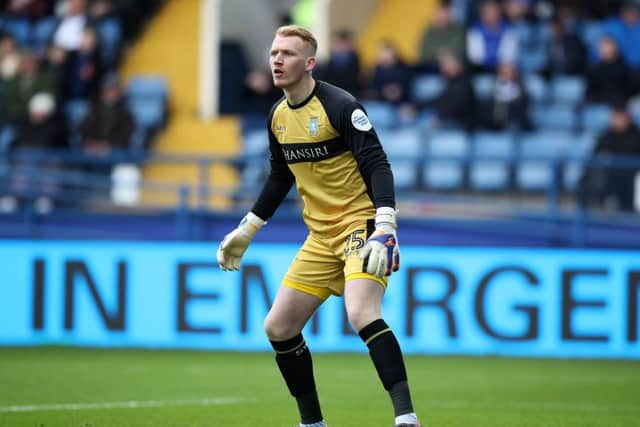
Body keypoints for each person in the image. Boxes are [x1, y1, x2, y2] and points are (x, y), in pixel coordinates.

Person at [217, 25, 421, 427]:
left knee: (361, 312)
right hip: (320, 236)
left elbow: (377, 163)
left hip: (359, 226)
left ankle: (406, 418)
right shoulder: (277, 116)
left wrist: (386, 226)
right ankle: (312, 423)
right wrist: (247, 229)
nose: (277, 60)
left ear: (309, 63)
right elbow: (280, 177)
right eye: (274, 52)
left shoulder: (340, 105)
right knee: (278, 326)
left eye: (288, 54)